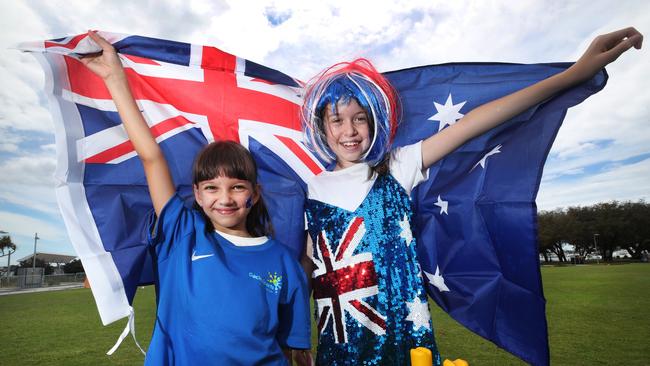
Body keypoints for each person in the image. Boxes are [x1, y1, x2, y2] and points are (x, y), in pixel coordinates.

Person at [300, 27, 642, 365]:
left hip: (404, 340)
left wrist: (572, 75)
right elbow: (307, 266)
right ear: (321, 126)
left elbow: (471, 124)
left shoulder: (397, 166)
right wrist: (296, 338)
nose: (349, 131)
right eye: (337, 120)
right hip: (339, 344)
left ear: (374, 121)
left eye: (360, 118)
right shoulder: (313, 189)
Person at [80, 31, 312, 366]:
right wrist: (115, 78)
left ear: (255, 194)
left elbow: (294, 350)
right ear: (198, 196)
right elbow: (151, 157)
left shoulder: (282, 261)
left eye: (237, 186)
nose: (225, 198)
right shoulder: (181, 232)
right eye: (212, 188)